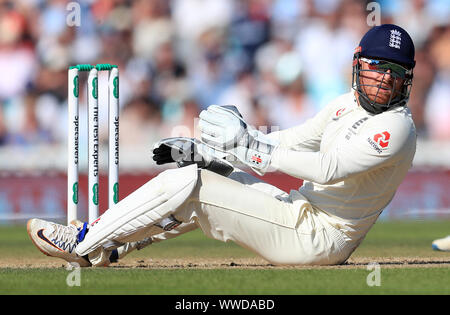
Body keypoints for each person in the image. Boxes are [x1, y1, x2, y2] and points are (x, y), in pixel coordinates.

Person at [27, 24, 417, 267]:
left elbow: (328, 168)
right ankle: (109, 247)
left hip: (319, 239)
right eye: (377, 67)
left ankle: (83, 243)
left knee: (195, 184)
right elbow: (291, 140)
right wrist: (215, 151)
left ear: (406, 81)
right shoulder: (345, 103)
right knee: (203, 172)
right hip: (301, 212)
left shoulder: (396, 128)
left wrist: (246, 147)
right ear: (358, 64)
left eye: (395, 72)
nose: (384, 78)